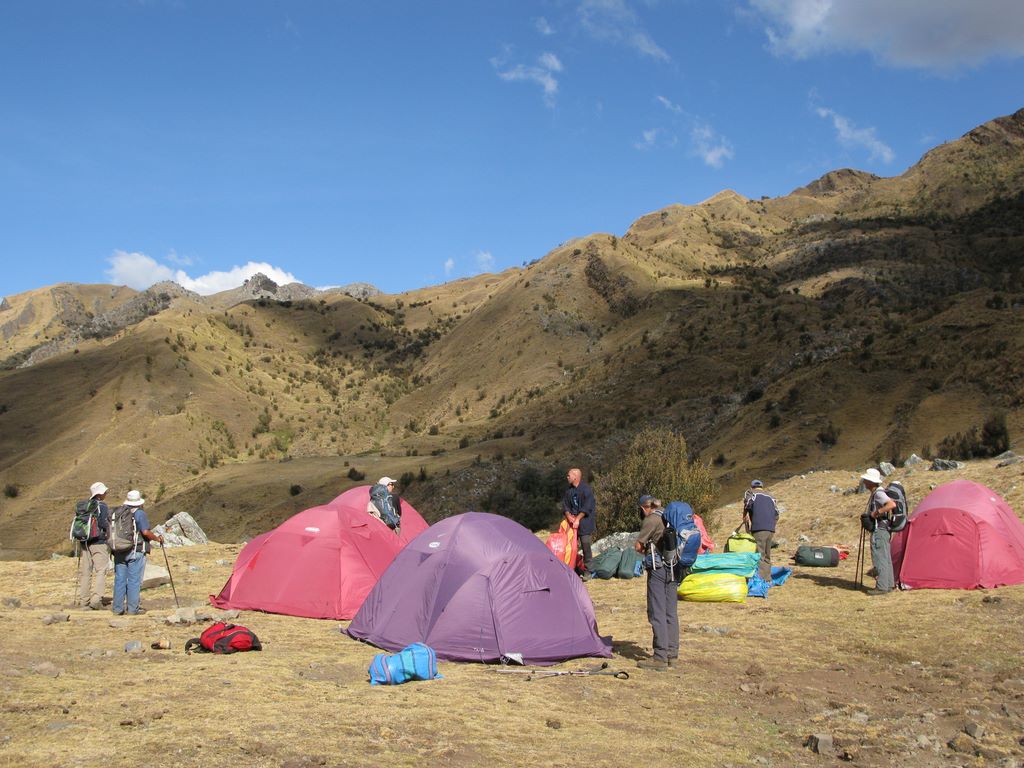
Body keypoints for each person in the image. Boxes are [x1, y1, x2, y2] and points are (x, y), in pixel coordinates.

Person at [634, 495, 678, 671]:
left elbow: (638, 546)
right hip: (674, 568)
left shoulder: (651, 519)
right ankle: (672, 655)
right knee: (670, 612)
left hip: (658, 569)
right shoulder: (669, 516)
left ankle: (659, 657)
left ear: (644, 508)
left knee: (656, 611)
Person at [111, 490, 163, 615]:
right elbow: (145, 532)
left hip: (118, 550)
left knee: (120, 580)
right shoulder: (140, 514)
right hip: (135, 550)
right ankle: (133, 609)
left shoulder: (118, 512)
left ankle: (117, 608)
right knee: (134, 580)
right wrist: (157, 539)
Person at [861, 468, 896, 595]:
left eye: (866, 480)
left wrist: (875, 513)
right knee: (886, 557)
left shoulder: (878, 494)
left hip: (879, 530)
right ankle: (889, 584)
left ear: (871, 481)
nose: (864, 482)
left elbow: (891, 505)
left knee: (880, 557)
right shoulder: (877, 493)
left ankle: (881, 587)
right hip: (884, 529)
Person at [77, 481, 111, 610]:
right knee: (101, 570)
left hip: (85, 542)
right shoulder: (102, 506)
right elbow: (103, 524)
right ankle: (96, 599)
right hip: (98, 541)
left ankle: (84, 601)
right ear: (100, 494)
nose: (106, 494)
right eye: (105, 492)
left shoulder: (85, 506)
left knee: (86, 572)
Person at [562, 467, 596, 579]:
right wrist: (568, 515)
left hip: (585, 522)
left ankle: (589, 571)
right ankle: (572, 567)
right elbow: (565, 504)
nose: (567, 477)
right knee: (570, 546)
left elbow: (588, 506)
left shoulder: (586, 489)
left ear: (575, 476)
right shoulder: (569, 490)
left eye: (569, 475)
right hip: (572, 523)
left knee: (586, 546)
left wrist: (578, 519)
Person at [742, 479, 779, 581]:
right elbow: (777, 514)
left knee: (759, 554)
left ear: (752, 486)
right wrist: (771, 525)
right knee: (767, 555)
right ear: (762, 486)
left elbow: (747, 504)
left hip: (759, 528)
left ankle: (761, 580)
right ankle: (768, 578)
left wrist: (745, 515)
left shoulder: (751, 493)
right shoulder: (771, 496)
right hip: (770, 529)